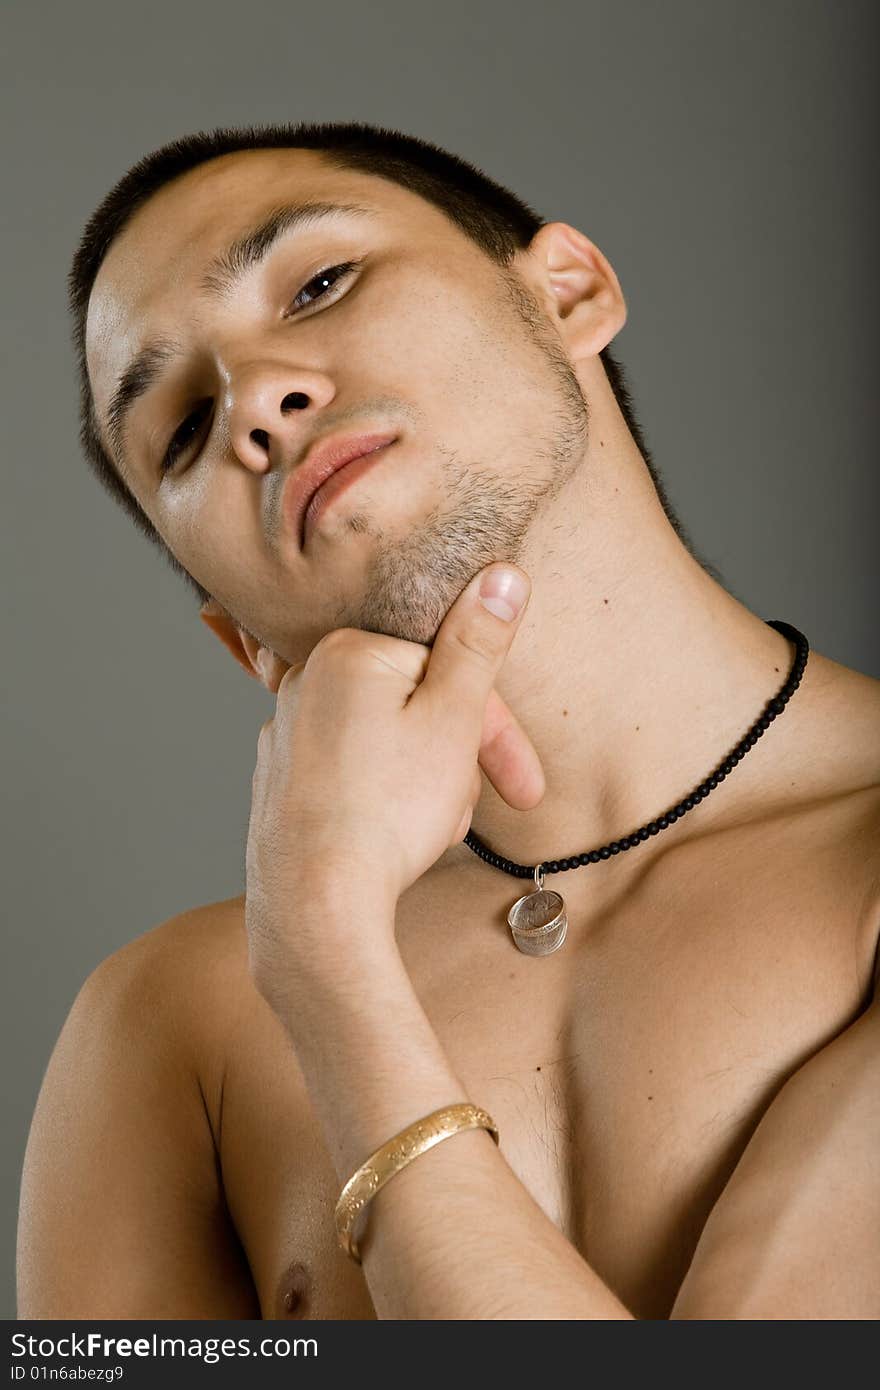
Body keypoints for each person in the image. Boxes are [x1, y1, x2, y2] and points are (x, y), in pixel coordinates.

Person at [17, 122, 879, 1320]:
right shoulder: (167, 1030)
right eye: (184, 430)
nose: (256, 401)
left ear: (567, 290)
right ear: (237, 634)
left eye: (319, 283)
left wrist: (330, 973)